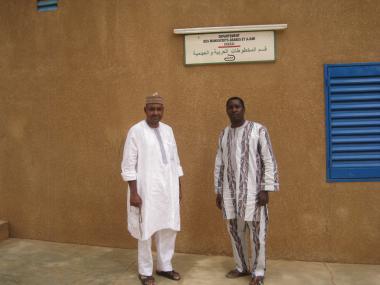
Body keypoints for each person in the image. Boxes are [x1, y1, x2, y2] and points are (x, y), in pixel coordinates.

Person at [214, 97, 279, 285]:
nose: (234, 110)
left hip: (253, 193)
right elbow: (219, 163)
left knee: (258, 233)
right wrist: (218, 190)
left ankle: (258, 272)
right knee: (235, 230)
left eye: (237, 106)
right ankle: (241, 267)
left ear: (244, 109)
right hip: (230, 193)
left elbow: (269, 160)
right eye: (230, 107)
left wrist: (266, 189)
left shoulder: (258, 130)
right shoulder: (224, 134)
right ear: (226, 110)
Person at [121, 92, 183, 285]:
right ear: (145, 110)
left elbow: (175, 160)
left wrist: (179, 187)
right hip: (146, 190)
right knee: (145, 230)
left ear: (163, 110)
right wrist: (134, 192)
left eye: (159, 109)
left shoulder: (168, 130)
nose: (155, 112)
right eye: (152, 109)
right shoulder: (136, 131)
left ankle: (165, 266)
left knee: (168, 227)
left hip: (168, 189)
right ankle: (145, 271)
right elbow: (128, 165)